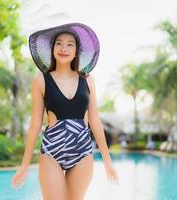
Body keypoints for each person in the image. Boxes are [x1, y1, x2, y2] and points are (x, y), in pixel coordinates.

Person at [11, 23, 119, 200]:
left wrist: (107, 161)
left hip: (82, 151)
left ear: (76, 51)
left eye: (70, 44)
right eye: (59, 43)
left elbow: (95, 120)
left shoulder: (88, 80)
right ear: (53, 48)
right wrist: (24, 166)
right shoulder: (40, 80)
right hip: (52, 151)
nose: (64, 48)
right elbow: (35, 124)